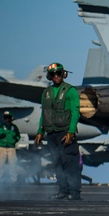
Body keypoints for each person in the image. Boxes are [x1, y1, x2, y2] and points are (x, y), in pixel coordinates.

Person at [35, 63, 82, 200]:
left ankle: (74, 193)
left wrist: (71, 132)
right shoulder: (47, 92)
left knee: (70, 163)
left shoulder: (70, 90)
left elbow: (75, 112)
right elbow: (44, 113)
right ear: (49, 76)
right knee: (57, 162)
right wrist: (39, 132)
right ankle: (63, 191)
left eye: (59, 73)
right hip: (51, 133)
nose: (56, 76)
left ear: (63, 74)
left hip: (65, 132)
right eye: (53, 74)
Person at [0, 110, 21, 183]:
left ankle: (14, 180)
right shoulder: (1, 127)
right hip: (2, 147)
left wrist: (15, 139)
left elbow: (18, 136)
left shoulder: (14, 127)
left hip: (11, 147)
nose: (8, 119)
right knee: (0, 164)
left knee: (13, 164)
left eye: (9, 118)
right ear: (4, 118)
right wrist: (0, 135)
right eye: (6, 118)